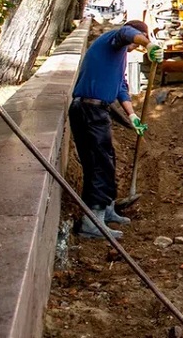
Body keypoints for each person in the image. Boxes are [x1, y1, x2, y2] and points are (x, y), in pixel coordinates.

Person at [69, 20, 162, 239]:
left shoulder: (118, 55)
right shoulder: (114, 39)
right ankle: (92, 223)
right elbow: (126, 33)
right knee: (98, 164)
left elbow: (120, 87)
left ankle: (106, 209)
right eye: (138, 42)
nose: (135, 47)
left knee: (107, 159)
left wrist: (132, 115)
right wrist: (148, 46)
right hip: (88, 110)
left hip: (98, 111)